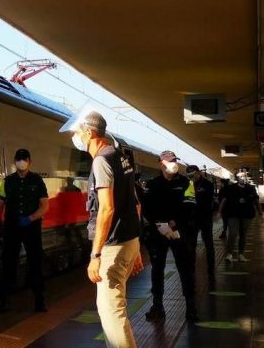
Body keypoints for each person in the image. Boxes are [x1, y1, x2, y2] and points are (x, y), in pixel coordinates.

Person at [67, 111, 142, 348]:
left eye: (77, 133)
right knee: (116, 309)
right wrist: (136, 248)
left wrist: (95, 254)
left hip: (114, 245)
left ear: (89, 132)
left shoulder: (101, 160)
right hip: (129, 240)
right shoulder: (120, 156)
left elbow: (107, 209)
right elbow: (135, 203)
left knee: (111, 312)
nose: (75, 138)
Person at [140, 151, 199, 322]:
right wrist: (157, 222)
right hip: (157, 233)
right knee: (157, 269)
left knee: (185, 269)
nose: (173, 163)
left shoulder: (186, 183)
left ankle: (191, 307)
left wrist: (176, 221)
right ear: (161, 164)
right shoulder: (151, 184)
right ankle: (157, 306)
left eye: (174, 160)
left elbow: (190, 205)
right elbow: (146, 207)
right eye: (169, 161)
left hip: (180, 232)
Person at [0, 148, 50, 312]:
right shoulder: (8, 181)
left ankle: (40, 299)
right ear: (14, 162)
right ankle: (5, 299)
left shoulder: (37, 181)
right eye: (19, 159)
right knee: (8, 263)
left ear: (30, 162)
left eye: (24, 159)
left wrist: (31, 218)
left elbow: (45, 206)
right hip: (12, 226)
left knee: (35, 262)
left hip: (31, 227)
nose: (21, 162)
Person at [186, 165, 216, 284]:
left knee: (208, 243)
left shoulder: (208, 185)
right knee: (191, 244)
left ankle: (211, 269)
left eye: (192, 175)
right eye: (189, 176)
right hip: (193, 220)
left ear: (198, 173)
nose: (191, 177)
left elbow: (206, 201)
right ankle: (191, 268)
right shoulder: (188, 184)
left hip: (205, 218)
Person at [221, 180, 262, 262]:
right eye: (240, 175)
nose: (242, 178)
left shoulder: (251, 188)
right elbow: (224, 200)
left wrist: (260, 213)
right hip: (233, 213)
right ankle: (229, 254)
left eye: (244, 175)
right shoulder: (230, 188)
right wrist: (220, 211)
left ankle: (241, 254)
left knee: (243, 234)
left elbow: (256, 200)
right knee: (233, 233)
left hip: (247, 214)